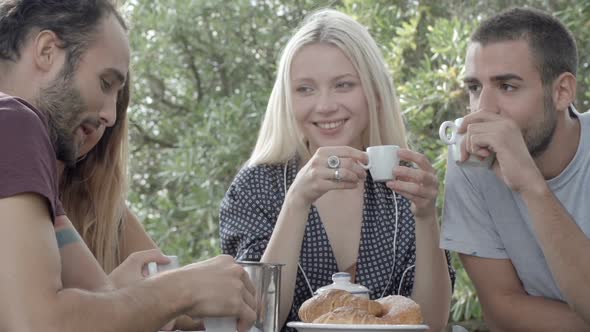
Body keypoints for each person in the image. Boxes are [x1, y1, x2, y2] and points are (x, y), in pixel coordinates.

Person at [0, 1, 256, 331]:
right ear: (47, 50)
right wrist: (182, 290)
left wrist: (190, 293)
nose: (110, 115)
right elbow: (36, 324)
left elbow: (102, 292)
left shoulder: (26, 164)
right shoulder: (13, 121)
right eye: (106, 83)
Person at [220, 9, 454, 331]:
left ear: (374, 92)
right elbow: (257, 322)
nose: (325, 105)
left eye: (343, 85)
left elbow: (433, 324)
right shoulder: (258, 185)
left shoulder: (403, 185)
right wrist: (297, 201)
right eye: (305, 89)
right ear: (287, 99)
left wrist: (427, 217)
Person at [440, 7, 590, 331]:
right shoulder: (469, 160)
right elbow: (501, 309)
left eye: (507, 86)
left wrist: (530, 185)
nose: (483, 110)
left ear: (562, 91)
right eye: (474, 88)